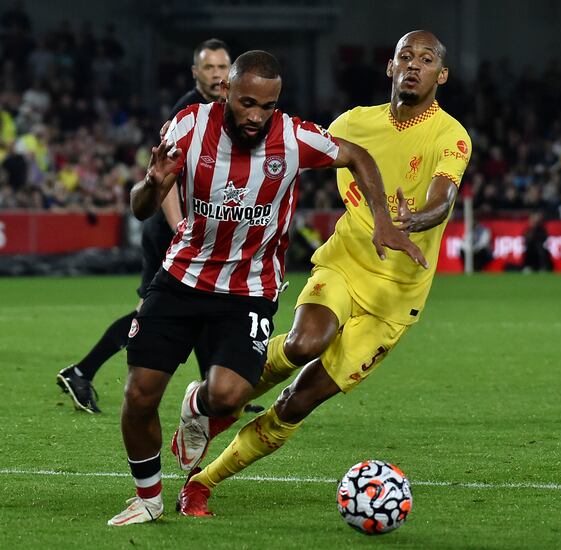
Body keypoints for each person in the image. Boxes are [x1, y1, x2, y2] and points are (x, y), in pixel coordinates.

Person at [107, 49, 424, 526]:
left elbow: (357, 155)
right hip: (182, 279)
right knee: (139, 395)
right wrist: (153, 184)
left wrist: (382, 216)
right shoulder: (189, 127)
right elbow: (139, 207)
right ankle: (148, 497)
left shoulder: (294, 138)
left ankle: (198, 404)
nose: (255, 116)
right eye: (246, 104)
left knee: (228, 396)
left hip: (249, 289)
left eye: (266, 107)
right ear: (226, 94)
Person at [174, 30, 471, 518]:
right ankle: (219, 403)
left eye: (426, 59)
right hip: (346, 260)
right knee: (304, 342)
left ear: (442, 75)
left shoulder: (450, 135)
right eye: (405, 56)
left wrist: (411, 221)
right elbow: (287, 156)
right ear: (390, 68)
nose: (414, 65)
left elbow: (443, 197)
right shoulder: (353, 124)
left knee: (297, 402)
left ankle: (202, 482)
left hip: (397, 297)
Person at [56, 39, 232, 413]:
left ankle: (214, 391)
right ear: (195, 73)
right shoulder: (189, 110)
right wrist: (180, 227)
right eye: (210, 67)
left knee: (196, 304)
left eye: (222, 66)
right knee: (156, 312)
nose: (217, 73)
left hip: (187, 228)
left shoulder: (221, 108)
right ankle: (82, 371)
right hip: (171, 230)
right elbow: (164, 178)